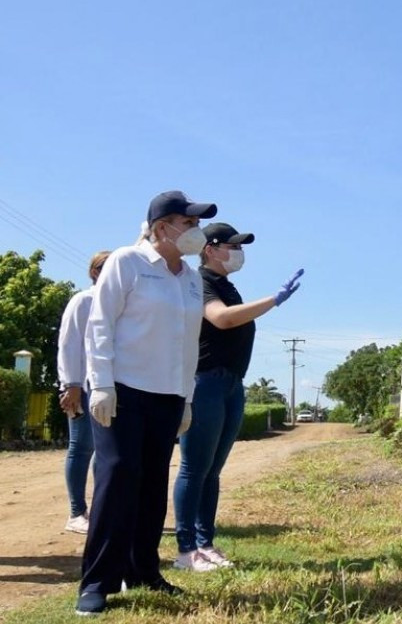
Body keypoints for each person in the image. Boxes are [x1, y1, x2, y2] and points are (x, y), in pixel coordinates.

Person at [75, 191, 217, 616]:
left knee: (153, 483)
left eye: (196, 224)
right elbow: (100, 325)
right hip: (122, 389)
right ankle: (97, 581)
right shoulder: (127, 262)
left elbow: (188, 342)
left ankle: (142, 570)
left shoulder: (191, 278)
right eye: (187, 223)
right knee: (118, 476)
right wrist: (100, 383)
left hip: (168, 394)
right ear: (161, 227)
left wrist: (187, 398)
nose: (195, 231)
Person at [172, 223, 303, 572]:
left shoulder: (226, 285)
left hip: (231, 384)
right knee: (194, 468)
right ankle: (186, 551)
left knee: (212, 471)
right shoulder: (199, 282)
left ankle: (205, 543)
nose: (238, 252)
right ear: (211, 249)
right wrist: (273, 301)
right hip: (206, 383)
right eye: (232, 245)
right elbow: (222, 319)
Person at [56, 250, 111, 535]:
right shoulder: (83, 301)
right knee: (82, 447)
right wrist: (71, 385)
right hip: (84, 386)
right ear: (94, 272)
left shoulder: (119, 302)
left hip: (111, 386)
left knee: (106, 452)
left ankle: (103, 510)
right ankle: (77, 512)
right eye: (105, 267)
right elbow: (69, 345)